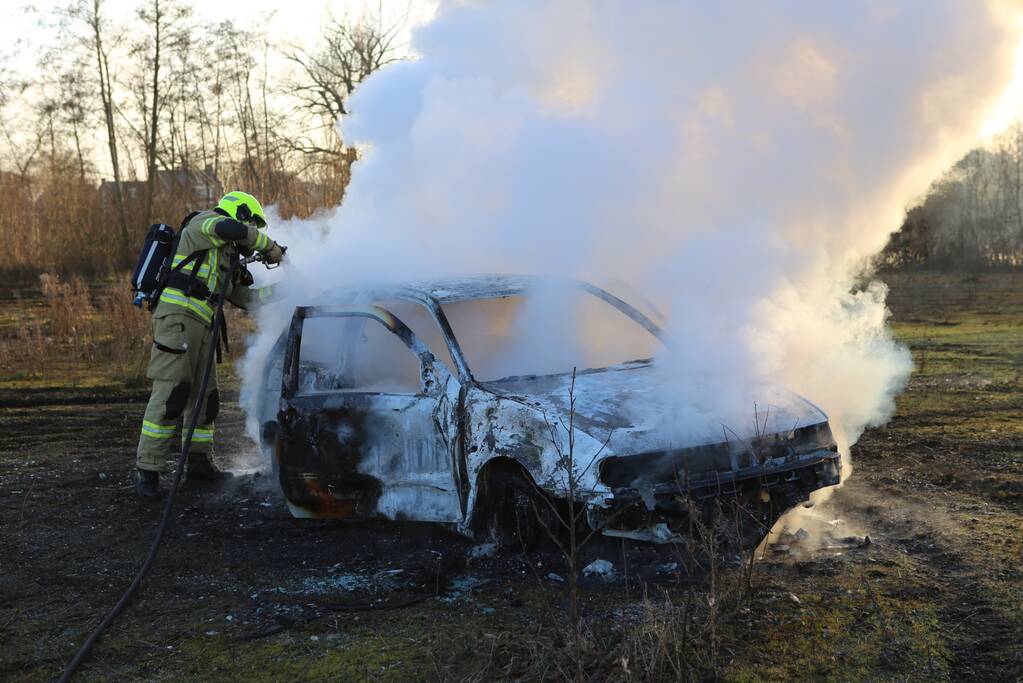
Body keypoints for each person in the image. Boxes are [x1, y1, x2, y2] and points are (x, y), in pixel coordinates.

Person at [132, 191, 286, 500]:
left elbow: (248, 299)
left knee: (207, 398)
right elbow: (234, 230)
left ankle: (199, 465)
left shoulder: (226, 255)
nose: (252, 232)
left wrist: (287, 289)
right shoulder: (205, 223)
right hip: (177, 318)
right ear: (239, 213)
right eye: (252, 223)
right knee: (172, 393)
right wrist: (270, 248)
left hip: (203, 327)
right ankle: (147, 470)